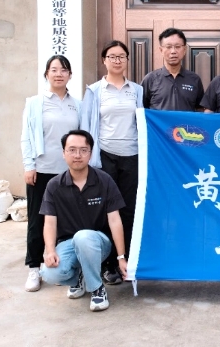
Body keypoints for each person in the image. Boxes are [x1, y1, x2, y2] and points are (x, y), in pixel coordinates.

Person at [40, 130, 128, 312]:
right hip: (69, 244)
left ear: (91, 153)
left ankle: (97, 288)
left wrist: (121, 257)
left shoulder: (104, 181)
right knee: (49, 273)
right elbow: (49, 223)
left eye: (83, 150)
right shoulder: (54, 186)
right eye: (72, 150)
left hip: (99, 243)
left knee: (84, 237)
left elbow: (115, 220)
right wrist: (50, 251)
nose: (77, 155)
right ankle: (80, 278)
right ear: (63, 153)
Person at [80, 40, 143, 285]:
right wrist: (86, 158)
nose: (117, 60)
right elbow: (86, 126)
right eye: (112, 56)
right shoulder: (95, 90)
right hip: (104, 156)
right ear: (104, 60)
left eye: (121, 56)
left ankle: (127, 261)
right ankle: (108, 265)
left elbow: (142, 123)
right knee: (106, 209)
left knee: (128, 210)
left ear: (127, 60)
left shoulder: (136, 90)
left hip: (132, 156)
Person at [20, 55, 80, 292]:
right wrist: (29, 165)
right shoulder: (35, 103)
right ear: (46, 74)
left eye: (64, 70)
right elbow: (26, 136)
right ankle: (34, 268)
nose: (59, 74)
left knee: (68, 220)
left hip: (70, 172)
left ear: (70, 75)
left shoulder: (77, 104)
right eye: (54, 70)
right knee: (38, 220)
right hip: (43, 170)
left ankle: (64, 265)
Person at [141, 28, 204, 111]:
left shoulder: (194, 79)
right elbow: (141, 109)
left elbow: (200, 109)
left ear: (184, 50)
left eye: (177, 47)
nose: (173, 51)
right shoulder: (150, 79)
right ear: (161, 50)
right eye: (168, 47)